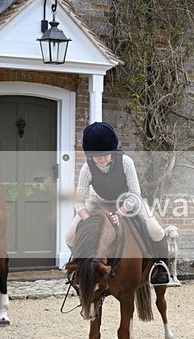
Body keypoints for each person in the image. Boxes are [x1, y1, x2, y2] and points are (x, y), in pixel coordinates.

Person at [65, 122, 171, 285]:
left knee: (156, 230)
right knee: (70, 236)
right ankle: (81, 266)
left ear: (113, 151)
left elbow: (135, 194)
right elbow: (79, 201)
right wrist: (88, 220)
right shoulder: (87, 168)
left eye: (105, 155)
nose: (100, 160)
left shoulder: (126, 162)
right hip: (97, 202)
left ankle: (161, 266)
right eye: (96, 156)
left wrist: (120, 213)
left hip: (128, 200)